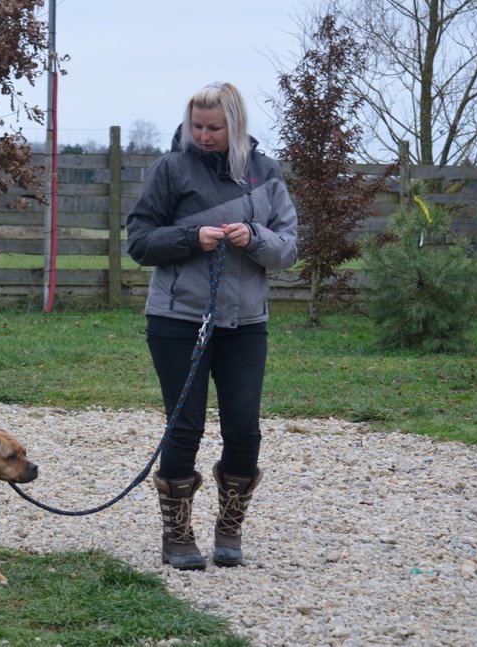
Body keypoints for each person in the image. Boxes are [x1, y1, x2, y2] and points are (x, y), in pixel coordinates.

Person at [126, 82, 298, 570]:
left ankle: (229, 526)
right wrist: (190, 237)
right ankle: (177, 535)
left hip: (245, 323)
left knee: (244, 430)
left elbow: (288, 247)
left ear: (235, 125)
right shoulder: (170, 169)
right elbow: (139, 242)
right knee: (185, 428)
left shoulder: (266, 173)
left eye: (214, 128)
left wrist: (255, 236)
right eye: (197, 126)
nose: (203, 135)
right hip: (177, 319)